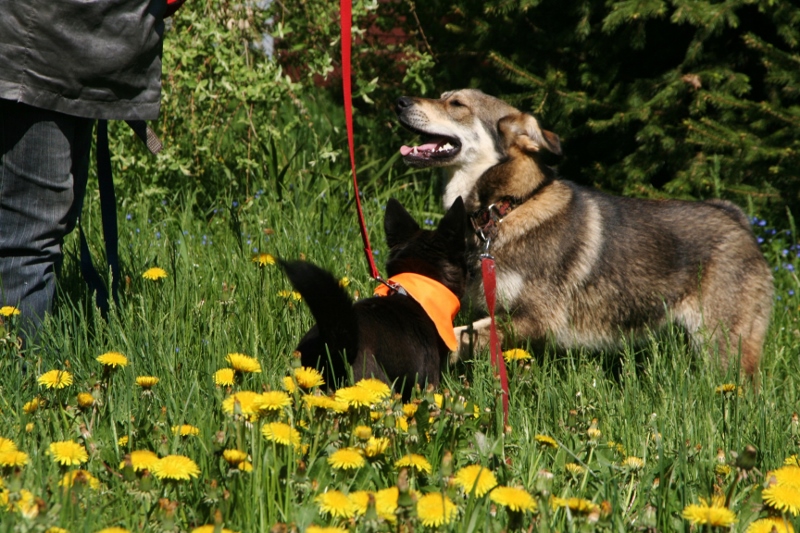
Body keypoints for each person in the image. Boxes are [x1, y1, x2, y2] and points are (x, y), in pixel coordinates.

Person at [0, 0, 179, 342]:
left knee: (44, 229)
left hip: (74, 46)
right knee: (29, 239)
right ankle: (19, 367)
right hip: (42, 45)